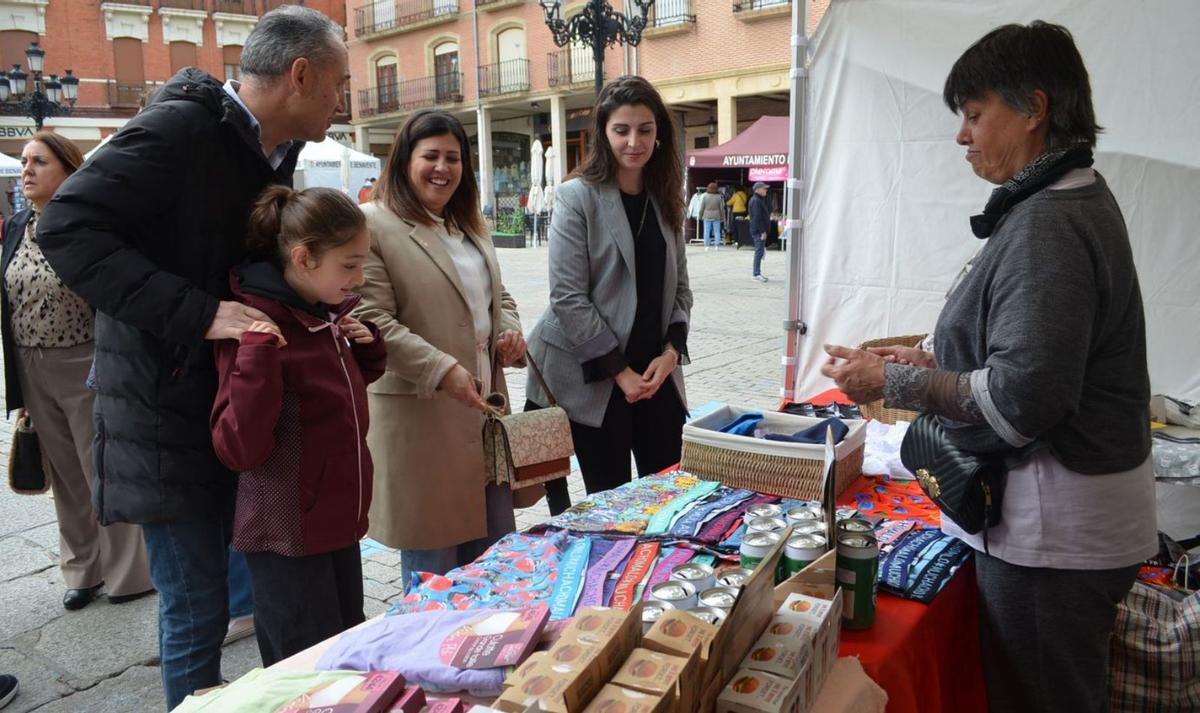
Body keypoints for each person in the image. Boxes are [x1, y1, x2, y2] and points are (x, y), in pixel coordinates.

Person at [820, 22, 1156, 713]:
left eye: (975, 114)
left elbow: (1025, 396)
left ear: (1034, 108)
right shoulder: (1063, 200)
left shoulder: (1050, 223)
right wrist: (936, 358)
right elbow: (1033, 347)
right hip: (1071, 523)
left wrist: (896, 382)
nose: (962, 135)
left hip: (1054, 533)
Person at [37, 6, 350, 709]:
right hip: (159, 413)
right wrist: (201, 314)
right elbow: (66, 226)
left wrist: (327, 311)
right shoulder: (178, 130)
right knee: (197, 612)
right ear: (299, 76)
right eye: (338, 83)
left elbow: (250, 268)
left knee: (255, 601)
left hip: (227, 409)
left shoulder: (272, 150)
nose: (343, 99)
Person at [211, 186, 386, 666]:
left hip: (335, 521)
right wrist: (256, 357)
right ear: (304, 258)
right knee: (307, 667)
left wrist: (367, 348)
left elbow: (331, 397)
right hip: (286, 532)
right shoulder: (256, 325)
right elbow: (238, 447)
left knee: (346, 653)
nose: (360, 277)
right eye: (349, 265)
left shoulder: (320, 313)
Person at [355, 109, 527, 587]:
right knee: (435, 569)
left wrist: (508, 331)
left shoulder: (468, 224)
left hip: (485, 410)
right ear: (404, 161)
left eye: (454, 157)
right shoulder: (374, 223)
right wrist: (442, 369)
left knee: (490, 555)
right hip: (424, 413)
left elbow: (501, 296)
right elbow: (371, 319)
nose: (442, 168)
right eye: (430, 155)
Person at [525, 75, 692, 516]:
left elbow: (682, 291)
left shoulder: (665, 197)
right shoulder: (577, 196)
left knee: (671, 496)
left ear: (659, 133)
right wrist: (621, 374)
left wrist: (672, 352)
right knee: (611, 505)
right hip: (594, 374)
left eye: (645, 129)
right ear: (604, 132)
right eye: (622, 130)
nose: (634, 141)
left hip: (656, 374)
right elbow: (567, 297)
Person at [1, 132, 153, 611]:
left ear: (68, 170)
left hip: (86, 359)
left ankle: (128, 573)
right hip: (32, 363)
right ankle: (82, 569)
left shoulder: (88, 226)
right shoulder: (16, 225)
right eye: (24, 161)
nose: (26, 170)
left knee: (102, 469)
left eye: (38, 162)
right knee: (65, 473)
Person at [747, 181, 770, 282]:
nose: (766, 190)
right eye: (764, 188)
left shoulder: (758, 200)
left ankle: (757, 273)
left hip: (758, 229)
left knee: (760, 251)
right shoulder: (756, 201)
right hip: (758, 230)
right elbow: (757, 217)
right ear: (758, 190)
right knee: (759, 251)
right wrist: (762, 231)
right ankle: (756, 274)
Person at [699, 182, 724, 251]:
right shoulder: (719, 197)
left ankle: (706, 246)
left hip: (707, 215)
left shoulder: (705, 196)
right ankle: (717, 246)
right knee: (717, 231)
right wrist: (723, 217)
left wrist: (700, 215)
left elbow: (702, 207)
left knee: (706, 231)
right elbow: (721, 208)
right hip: (717, 216)